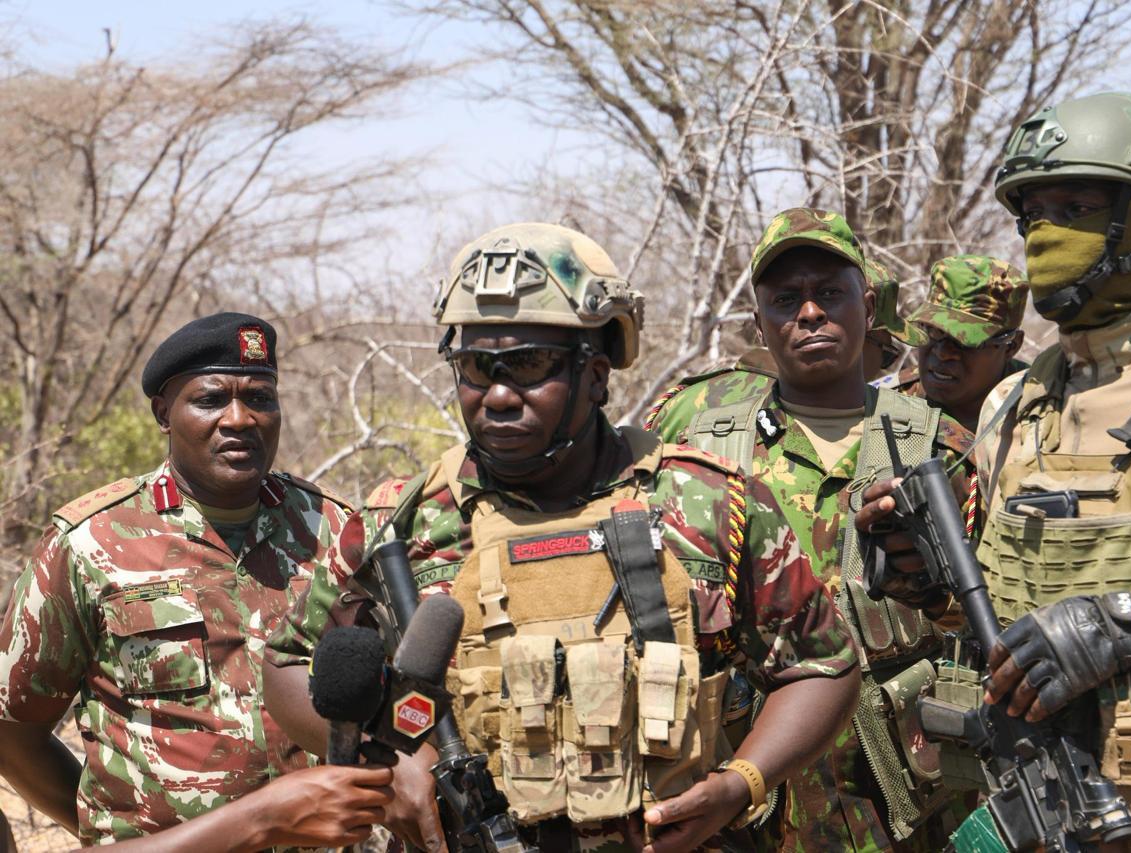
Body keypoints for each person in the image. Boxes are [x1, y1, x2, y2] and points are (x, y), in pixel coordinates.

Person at [263, 222, 860, 853]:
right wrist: (400, 772)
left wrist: (742, 783)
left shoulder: (708, 499)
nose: (496, 396)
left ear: (597, 375)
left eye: (528, 366)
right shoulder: (402, 521)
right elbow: (286, 662)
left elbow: (824, 664)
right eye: (474, 367)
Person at [859, 91, 1131, 849]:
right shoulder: (1015, 404)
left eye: (1077, 205)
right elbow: (1006, 622)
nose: (1044, 235)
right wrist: (925, 576)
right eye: (1032, 214)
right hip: (1048, 820)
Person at [0, 312, 396, 850]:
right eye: (211, 400)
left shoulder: (338, 533)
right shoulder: (89, 542)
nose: (240, 418)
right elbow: (12, 730)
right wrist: (110, 832)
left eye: (260, 397)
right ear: (164, 413)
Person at [648, 208, 972, 851]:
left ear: (868, 303)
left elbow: (994, 624)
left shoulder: (941, 449)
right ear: (759, 319)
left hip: (907, 804)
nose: (810, 314)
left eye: (829, 293)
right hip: (745, 804)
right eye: (786, 299)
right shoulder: (698, 450)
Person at [642, 252, 916, 436]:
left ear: (866, 312)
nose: (811, 314)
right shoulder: (703, 426)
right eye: (886, 355)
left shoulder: (926, 437)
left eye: (830, 294)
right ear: (760, 325)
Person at [884, 254, 1029, 435]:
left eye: (965, 340)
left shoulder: (1040, 413)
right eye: (934, 330)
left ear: (1011, 346)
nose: (943, 352)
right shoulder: (885, 403)